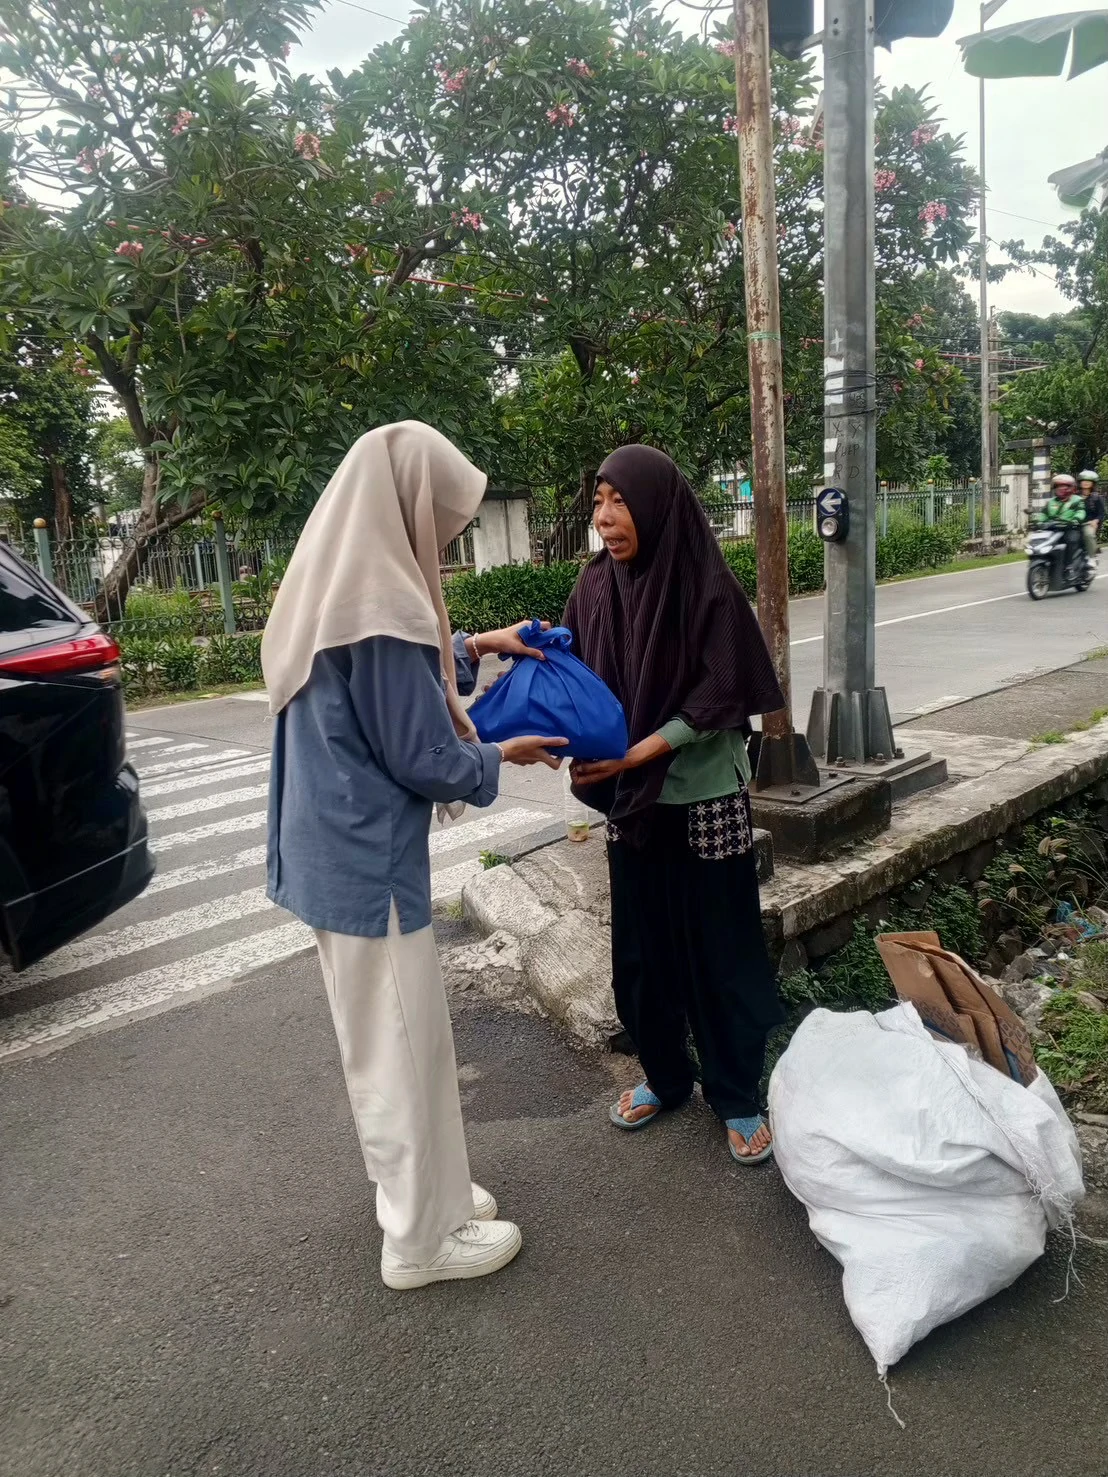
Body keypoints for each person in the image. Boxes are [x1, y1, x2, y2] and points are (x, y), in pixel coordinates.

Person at [261, 421, 567, 1289]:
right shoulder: (386, 608)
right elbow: (422, 753)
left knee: (397, 1040)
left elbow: (385, 687)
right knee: (399, 1047)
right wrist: (498, 755)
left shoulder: (335, 581)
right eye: (443, 521)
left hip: (329, 848)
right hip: (366, 862)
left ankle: (431, 1194)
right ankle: (418, 1241)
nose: (444, 541)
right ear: (407, 505)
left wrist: (479, 645)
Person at [565, 445, 787, 1164]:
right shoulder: (596, 585)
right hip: (634, 803)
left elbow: (721, 693)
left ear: (658, 505)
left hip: (704, 794)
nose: (605, 517)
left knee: (718, 948)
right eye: (598, 501)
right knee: (642, 950)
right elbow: (577, 676)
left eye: (620, 500)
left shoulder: (706, 585)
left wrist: (639, 752)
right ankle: (665, 1076)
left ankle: (737, 1091)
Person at [1036, 473, 1089, 575]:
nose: (1061, 489)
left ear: (1071, 488)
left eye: (1064, 486)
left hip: (1070, 528)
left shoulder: (1077, 500)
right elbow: (1043, 514)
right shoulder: (1051, 502)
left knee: (1071, 540)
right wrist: (1039, 522)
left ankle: (1069, 565)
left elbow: (1081, 511)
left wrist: (1076, 520)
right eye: (1058, 486)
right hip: (1053, 528)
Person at [1079, 470, 1104, 563]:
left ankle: (1092, 558)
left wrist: (1095, 521)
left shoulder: (1096, 497)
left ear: (1093, 483)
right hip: (1076, 523)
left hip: (1090, 523)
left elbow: (1101, 513)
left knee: (1088, 534)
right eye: (1084, 480)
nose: (1086, 483)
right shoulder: (1075, 497)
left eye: (1088, 481)